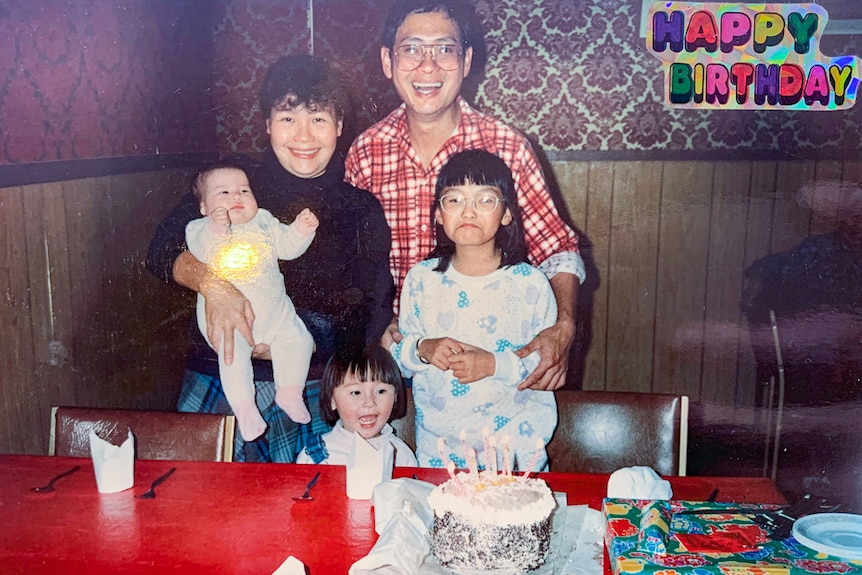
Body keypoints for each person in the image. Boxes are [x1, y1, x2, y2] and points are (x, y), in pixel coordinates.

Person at [146, 55, 394, 462]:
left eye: (318, 118)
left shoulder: (360, 208)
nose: (303, 135)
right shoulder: (235, 184)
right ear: (266, 125)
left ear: (339, 126)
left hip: (313, 384)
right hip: (221, 374)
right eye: (287, 118)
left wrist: (291, 339)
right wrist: (215, 286)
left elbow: (371, 309)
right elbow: (162, 248)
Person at [345, 0, 585, 391]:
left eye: (444, 49)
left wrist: (563, 328)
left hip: (489, 363)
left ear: (466, 60)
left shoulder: (507, 147)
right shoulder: (365, 152)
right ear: (388, 62)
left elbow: (557, 248)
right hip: (401, 358)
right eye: (411, 49)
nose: (428, 66)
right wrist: (380, 324)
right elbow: (354, 265)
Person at [390, 149, 557, 470]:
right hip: (440, 452)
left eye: (485, 200)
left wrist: (493, 364)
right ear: (438, 214)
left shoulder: (530, 284)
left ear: (507, 213)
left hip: (517, 450)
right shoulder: (421, 280)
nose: (468, 211)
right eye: (454, 200)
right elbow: (400, 356)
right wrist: (424, 348)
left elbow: (544, 363)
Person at [186, 161, 318, 440]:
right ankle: (245, 410)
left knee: (299, 341)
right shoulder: (199, 228)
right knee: (233, 358)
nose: (236, 197)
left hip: (277, 314)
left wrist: (300, 231)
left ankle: (289, 393)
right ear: (203, 207)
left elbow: (287, 248)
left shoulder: (265, 222)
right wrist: (216, 229)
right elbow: (201, 251)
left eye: (244, 190)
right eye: (223, 193)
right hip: (231, 319)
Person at [297, 344, 417, 465]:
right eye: (356, 392)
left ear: (395, 396)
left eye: (381, 391)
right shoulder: (313, 457)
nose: (369, 402)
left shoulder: (402, 455)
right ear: (332, 400)